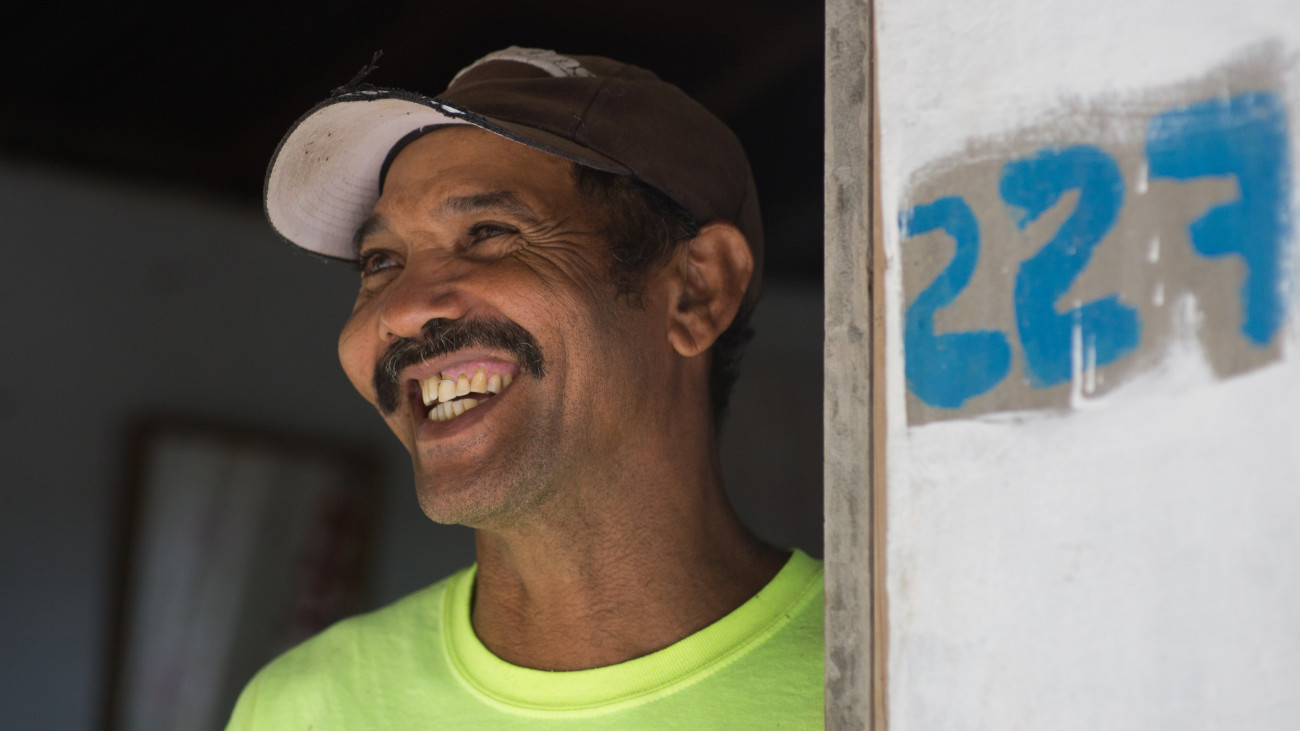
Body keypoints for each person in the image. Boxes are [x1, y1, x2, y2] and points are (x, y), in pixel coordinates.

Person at [228, 46, 823, 728]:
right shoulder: (307, 707)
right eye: (381, 261)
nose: (402, 310)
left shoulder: (888, 674)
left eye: (488, 233)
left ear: (697, 290)